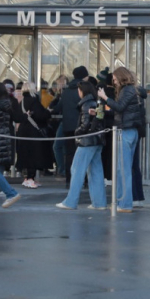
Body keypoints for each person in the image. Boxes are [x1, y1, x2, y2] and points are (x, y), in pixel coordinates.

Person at [98, 67, 143, 213]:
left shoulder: (127, 90)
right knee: (122, 169)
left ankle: (124, 204)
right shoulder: (130, 90)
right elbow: (121, 109)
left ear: (121, 77)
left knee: (123, 170)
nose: (114, 81)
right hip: (129, 130)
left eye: (115, 78)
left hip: (126, 131)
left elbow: (120, 107)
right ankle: (120, 202)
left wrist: (105, 98)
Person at [56, 81, 106, 210]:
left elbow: (85, 125)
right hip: (97, 141)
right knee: (96, 171)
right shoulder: (95, 102)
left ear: (82, 91)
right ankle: (99, 203)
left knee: (76, 170)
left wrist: (76, 133)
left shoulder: (86, 104)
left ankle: (71, 202)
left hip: (87, 141)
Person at [53, 66, 88, 187]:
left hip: (68, 126)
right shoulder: (84, 89)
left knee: (69, 154)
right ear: (84, 76)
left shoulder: (66, 91)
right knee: (83, 153)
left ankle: (69, 180)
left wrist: (49, 110)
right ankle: (83, 179)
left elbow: (58, 107)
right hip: (82, 127)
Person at [16, 81, 51, 189]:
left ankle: (28, 178)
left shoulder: (22, 101)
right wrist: (48, 112)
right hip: (32, 132)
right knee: (34, 155)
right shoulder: (34, 101)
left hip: (23, 130)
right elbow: (41, 116)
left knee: (26, 154)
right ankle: (30, 178)